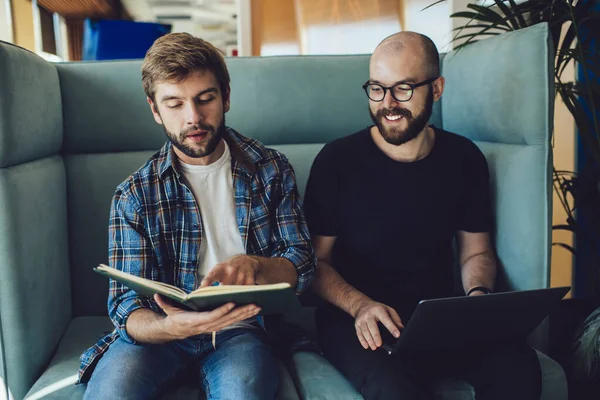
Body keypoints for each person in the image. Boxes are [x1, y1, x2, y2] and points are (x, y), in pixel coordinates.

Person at [303, 31, 542, 400]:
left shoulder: (464, 159)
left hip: (438, 316)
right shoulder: (337, 162)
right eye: (377, 89)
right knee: (393, 388)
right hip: (359, 319)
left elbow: (475, 252)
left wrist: (477, 295)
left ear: (437, 88)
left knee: (517, 367)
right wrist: (360, 305)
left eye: (403, 88)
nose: (388, 104)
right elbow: (315, 264)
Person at [78, 33, 316, 400]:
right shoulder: (134, 194)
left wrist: (256, 266)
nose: (193, 117)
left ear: (226, 97)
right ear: (155, 110)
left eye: (205, 99)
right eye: (174, 104)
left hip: (241, 326)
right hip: (159, 333)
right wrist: (171, 326)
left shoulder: (272, 169)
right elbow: (125, 305)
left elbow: (302, 264)